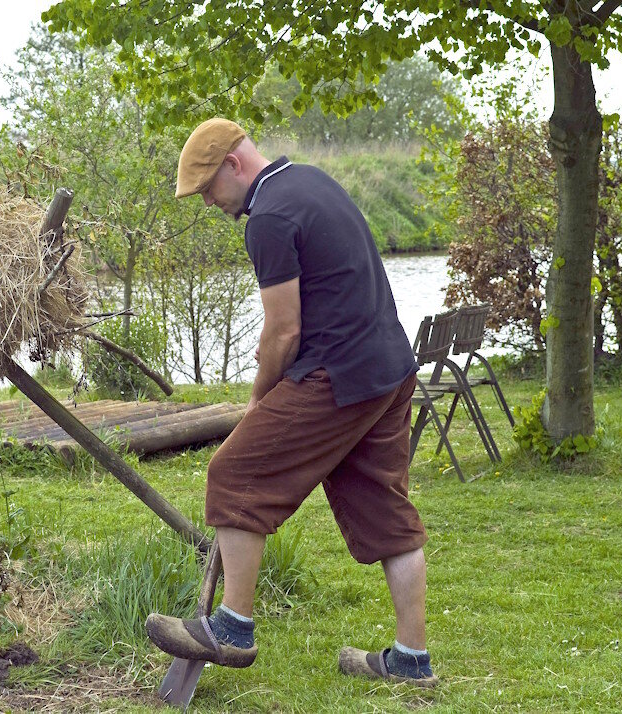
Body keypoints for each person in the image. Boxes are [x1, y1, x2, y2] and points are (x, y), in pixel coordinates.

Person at [143, 118, 437, 687]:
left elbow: (281, 332)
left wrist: (259, 400)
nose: (209, 203)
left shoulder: (269, 218)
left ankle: (231, 628)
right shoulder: (309, 180)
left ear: (233, 163)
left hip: (340, 375)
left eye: (207, 189)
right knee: (385, 511)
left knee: (233, 473)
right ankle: (411, 660)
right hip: (389, 369)